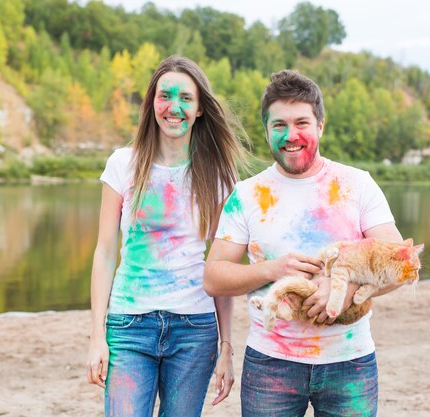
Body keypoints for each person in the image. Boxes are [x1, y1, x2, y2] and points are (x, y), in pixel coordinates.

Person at [204, 70, 406, 417]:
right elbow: (213, 277)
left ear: (321, 125)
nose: (291, 135)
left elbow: (401, 264)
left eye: (302, 123)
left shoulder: (357, 184)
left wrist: (348, 286)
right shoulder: (246, 195)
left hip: (350, 363)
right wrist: (272, 269)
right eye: (279, 125)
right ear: (266, 130)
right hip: (270, 364)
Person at [87, 55, 248, 417]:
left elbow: (219, 266)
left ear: (200, 108)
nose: (174, 107)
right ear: (152, 103)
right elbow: (104, 253)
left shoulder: (219, 174)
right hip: (129, 323)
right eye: (165, 96)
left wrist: (226, 346)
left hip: (195, 328)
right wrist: (97, 335)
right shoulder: (122, 164)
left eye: (186, 98)